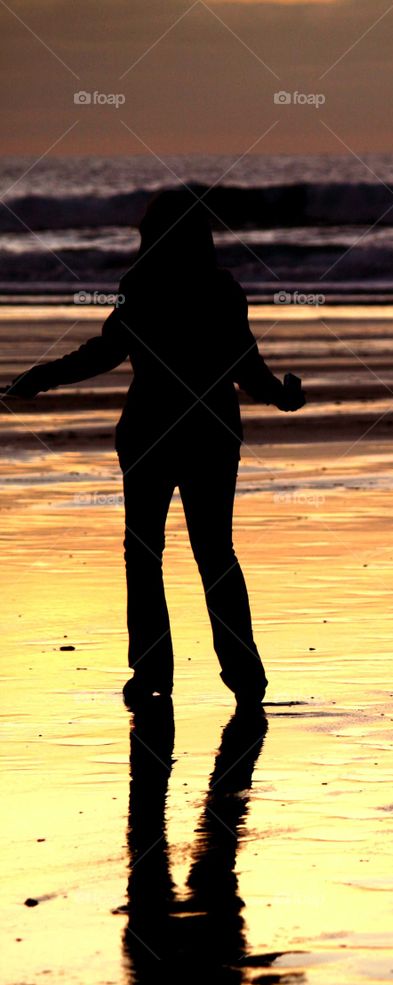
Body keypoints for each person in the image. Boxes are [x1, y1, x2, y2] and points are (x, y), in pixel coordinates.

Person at [3, 189, 305, 710]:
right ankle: (244, 674)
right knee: (216, 554)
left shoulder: (139, 286)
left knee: (144, 555)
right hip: (211, 435)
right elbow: (247, 368)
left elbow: (104, 353)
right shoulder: (221, 290)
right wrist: (282, 395)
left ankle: (151, 672)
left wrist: (40, 377)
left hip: (150, 432)